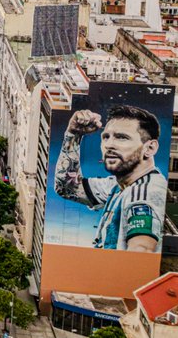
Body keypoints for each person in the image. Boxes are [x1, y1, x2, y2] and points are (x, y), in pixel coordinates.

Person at [53, 104, 168, 252]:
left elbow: (142, 249)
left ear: (150, 148)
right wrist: (74, 134)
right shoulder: (119, 185)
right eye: (106, 137)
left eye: (121, 137)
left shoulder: (145, 193)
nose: (109, 145)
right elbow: (67, 188)